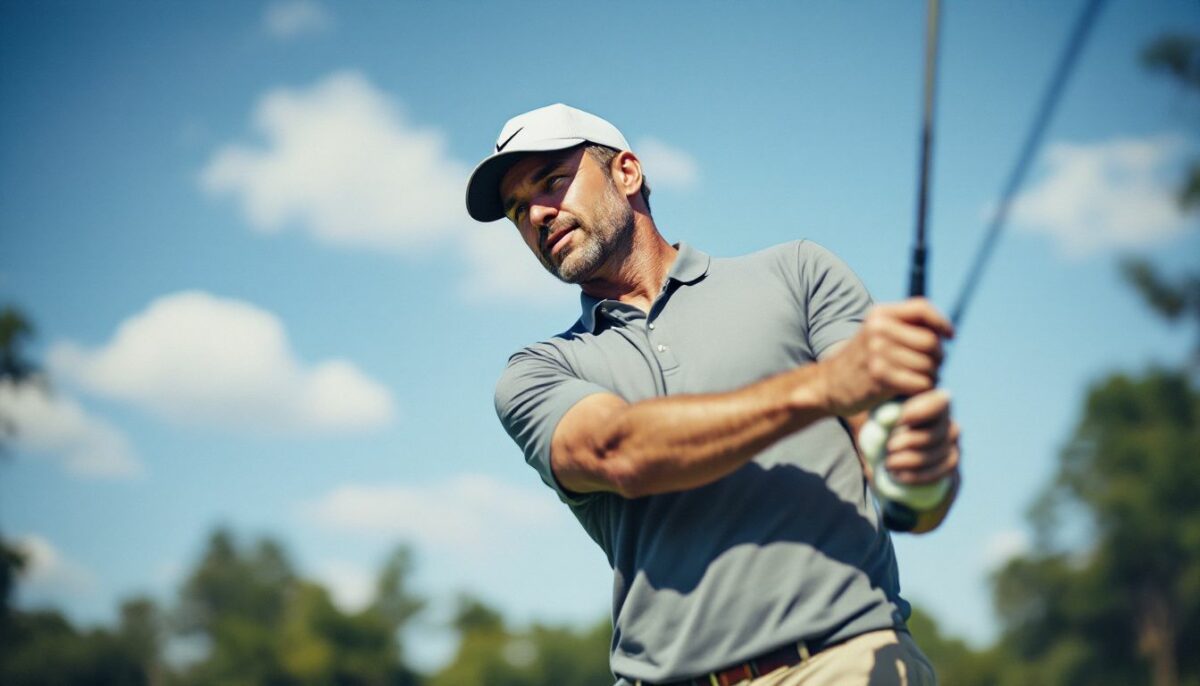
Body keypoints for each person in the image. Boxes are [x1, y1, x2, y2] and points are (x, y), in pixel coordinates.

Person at [465, 103, 961, 686]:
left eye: (553, 181)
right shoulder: (536, 372)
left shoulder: (798, 275)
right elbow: (616, 451)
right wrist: (819, 390)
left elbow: (909, 491)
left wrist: (921, 474)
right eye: (518, 210)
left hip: (845, 662)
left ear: (627, 173)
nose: (539, 215)